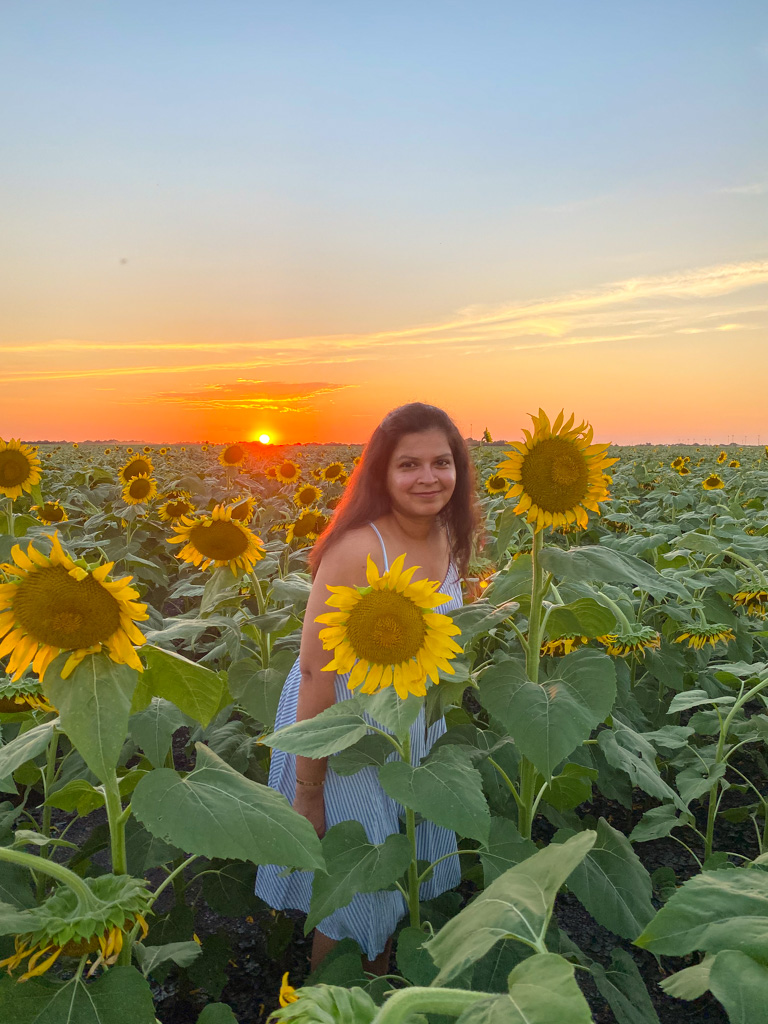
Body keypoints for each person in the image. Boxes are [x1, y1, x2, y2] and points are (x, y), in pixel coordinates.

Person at [255, 403, 480, 973]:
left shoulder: (450, 537)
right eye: (409, 464)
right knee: (353, 890)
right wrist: (309, 789)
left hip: (414, 726)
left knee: (393, 878)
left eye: (441, 462)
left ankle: (378, 984)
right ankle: (334, 1001)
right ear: (381, 473)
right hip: (348, 730)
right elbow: (315, 672)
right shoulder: (358, 549)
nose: (428, 477)